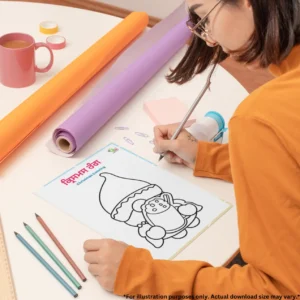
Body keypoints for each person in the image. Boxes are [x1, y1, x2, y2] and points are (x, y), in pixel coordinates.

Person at [83, 0, 300, 295]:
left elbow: (282, 289)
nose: (209, 38)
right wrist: (210, 157)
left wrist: (140, 275)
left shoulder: (260, 119)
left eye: (204, 18)